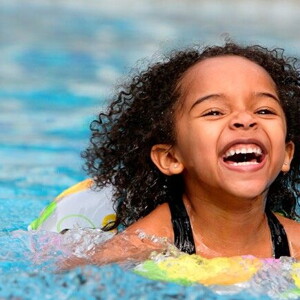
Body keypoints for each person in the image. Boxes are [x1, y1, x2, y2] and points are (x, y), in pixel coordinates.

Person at [64, 42, 300, 268]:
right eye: (214, 112)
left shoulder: (294, 244)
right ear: (171, 158)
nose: (245, 119)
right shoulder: (148, 242)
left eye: (264, 110)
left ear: (287, 155)